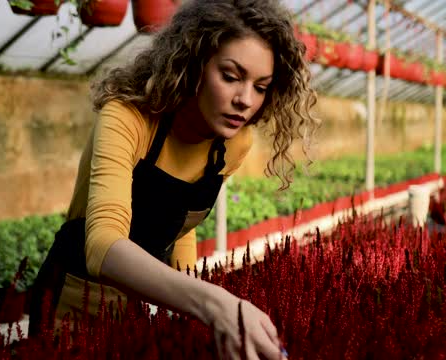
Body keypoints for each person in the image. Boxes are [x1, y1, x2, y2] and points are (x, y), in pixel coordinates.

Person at [28, 0, 319, 359]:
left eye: (261, 86)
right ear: (194, 64)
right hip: (72, 302)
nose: (245, 100)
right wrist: (212, 303)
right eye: (230, 76)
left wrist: (189, 312)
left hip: (142, 303)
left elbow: (182, 222)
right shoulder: (128, 116)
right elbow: (102, 245)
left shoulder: (233, 142)